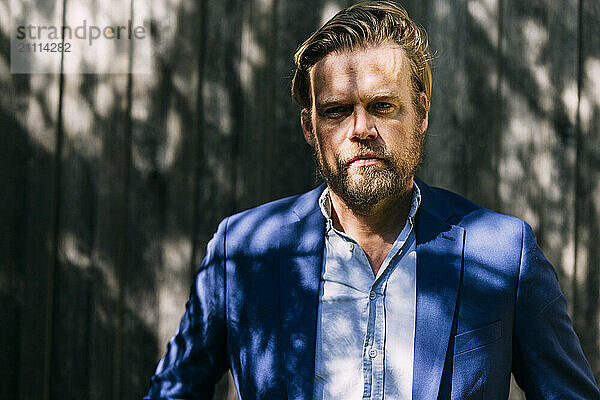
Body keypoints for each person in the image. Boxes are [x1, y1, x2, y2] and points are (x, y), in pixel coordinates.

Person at [146, 1, 600, 399]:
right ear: (310, 127)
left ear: (421, 113)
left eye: (382, 106)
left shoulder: (502, 253)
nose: (360, 129)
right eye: (337, 111)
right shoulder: (243, 250)